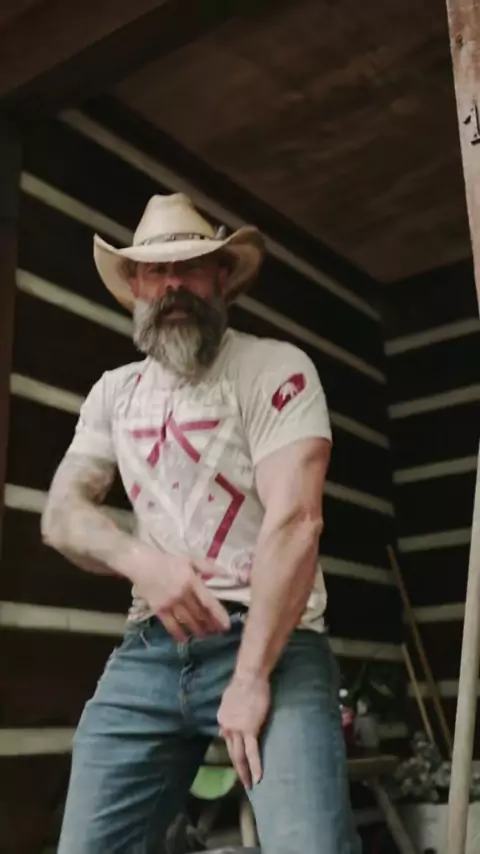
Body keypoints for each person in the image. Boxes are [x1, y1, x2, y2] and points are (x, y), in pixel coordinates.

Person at [42, 193, 361, 854]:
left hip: (274, 643)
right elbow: (61, 514)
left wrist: (250, 676)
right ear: (135, 287)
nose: (174, 286)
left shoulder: (275, 368)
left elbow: (297, 522)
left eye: (190, 267)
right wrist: (145, 564)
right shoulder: (113, 393)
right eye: (156, 272)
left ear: (222, 277)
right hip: (149, 649)